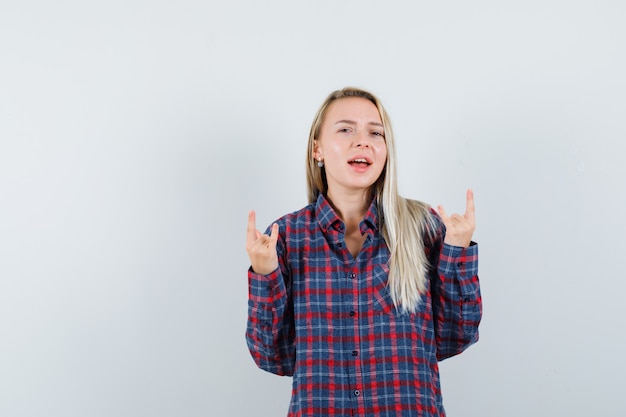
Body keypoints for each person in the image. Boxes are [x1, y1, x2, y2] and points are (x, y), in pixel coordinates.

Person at [245, 87, 481, 416]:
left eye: (376, 132)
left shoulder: (424, 227)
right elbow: (274, 357)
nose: (363, 141)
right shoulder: (286, 237)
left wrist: (456, 252)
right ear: (318, 150)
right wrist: (265, 274)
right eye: (346, 129)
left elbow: (456, 337)